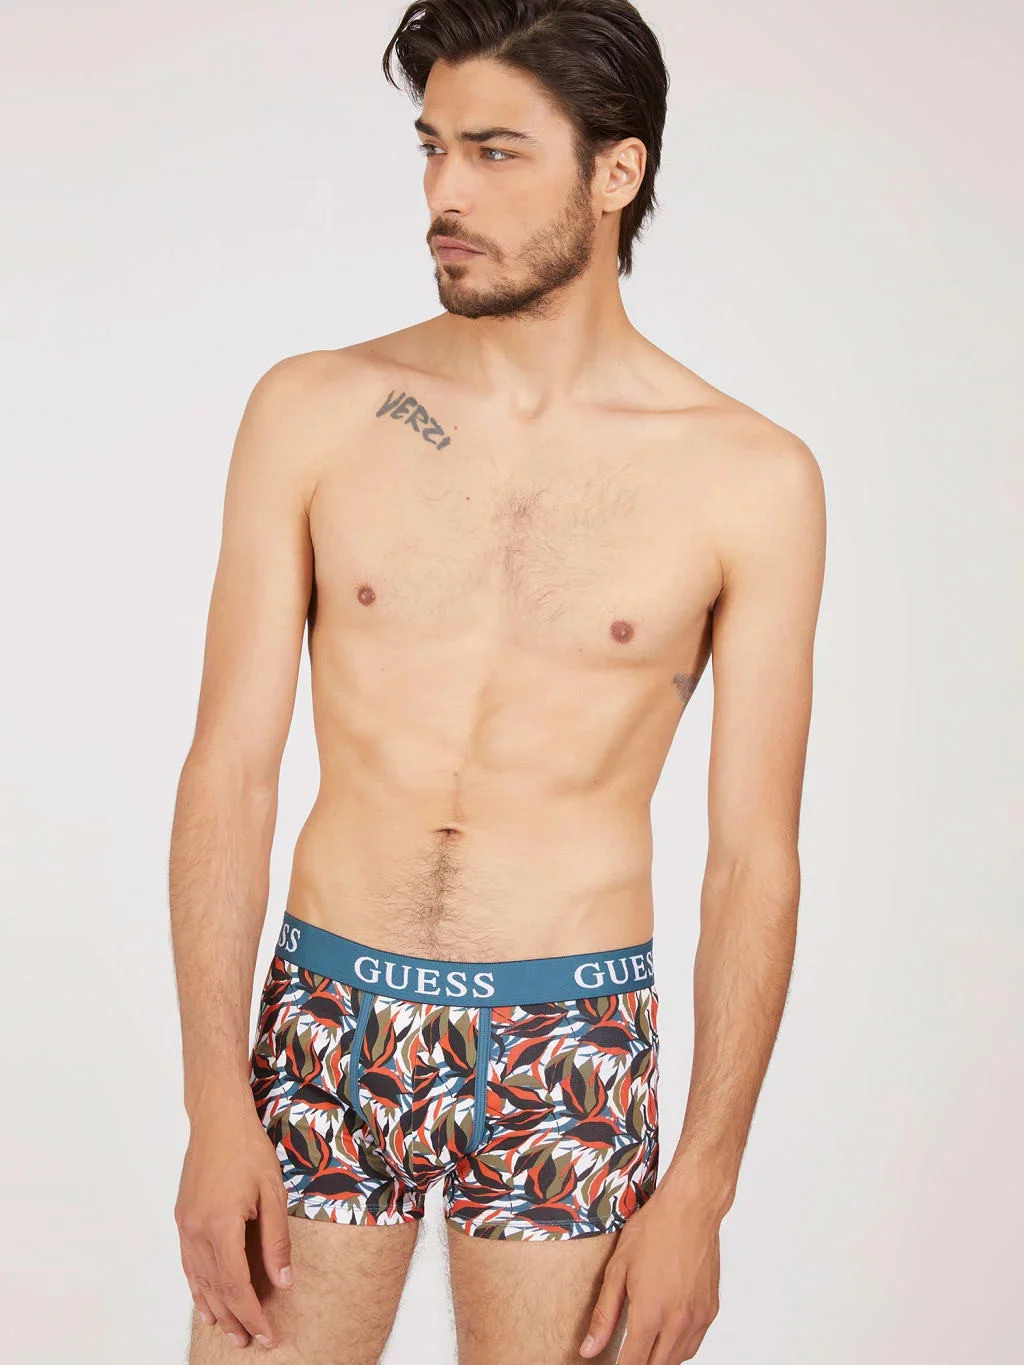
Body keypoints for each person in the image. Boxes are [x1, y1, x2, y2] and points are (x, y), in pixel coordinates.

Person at [169, 1, 826, 1361]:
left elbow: (754, 860)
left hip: (568, 1035)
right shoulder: (316, 409)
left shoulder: (749, 479)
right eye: (432, 148)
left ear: (616, 172)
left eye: (495, 152)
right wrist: (212, 1103)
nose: (445, 195)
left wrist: (703, 1189)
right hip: (328, 1021)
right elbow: (229, 770)